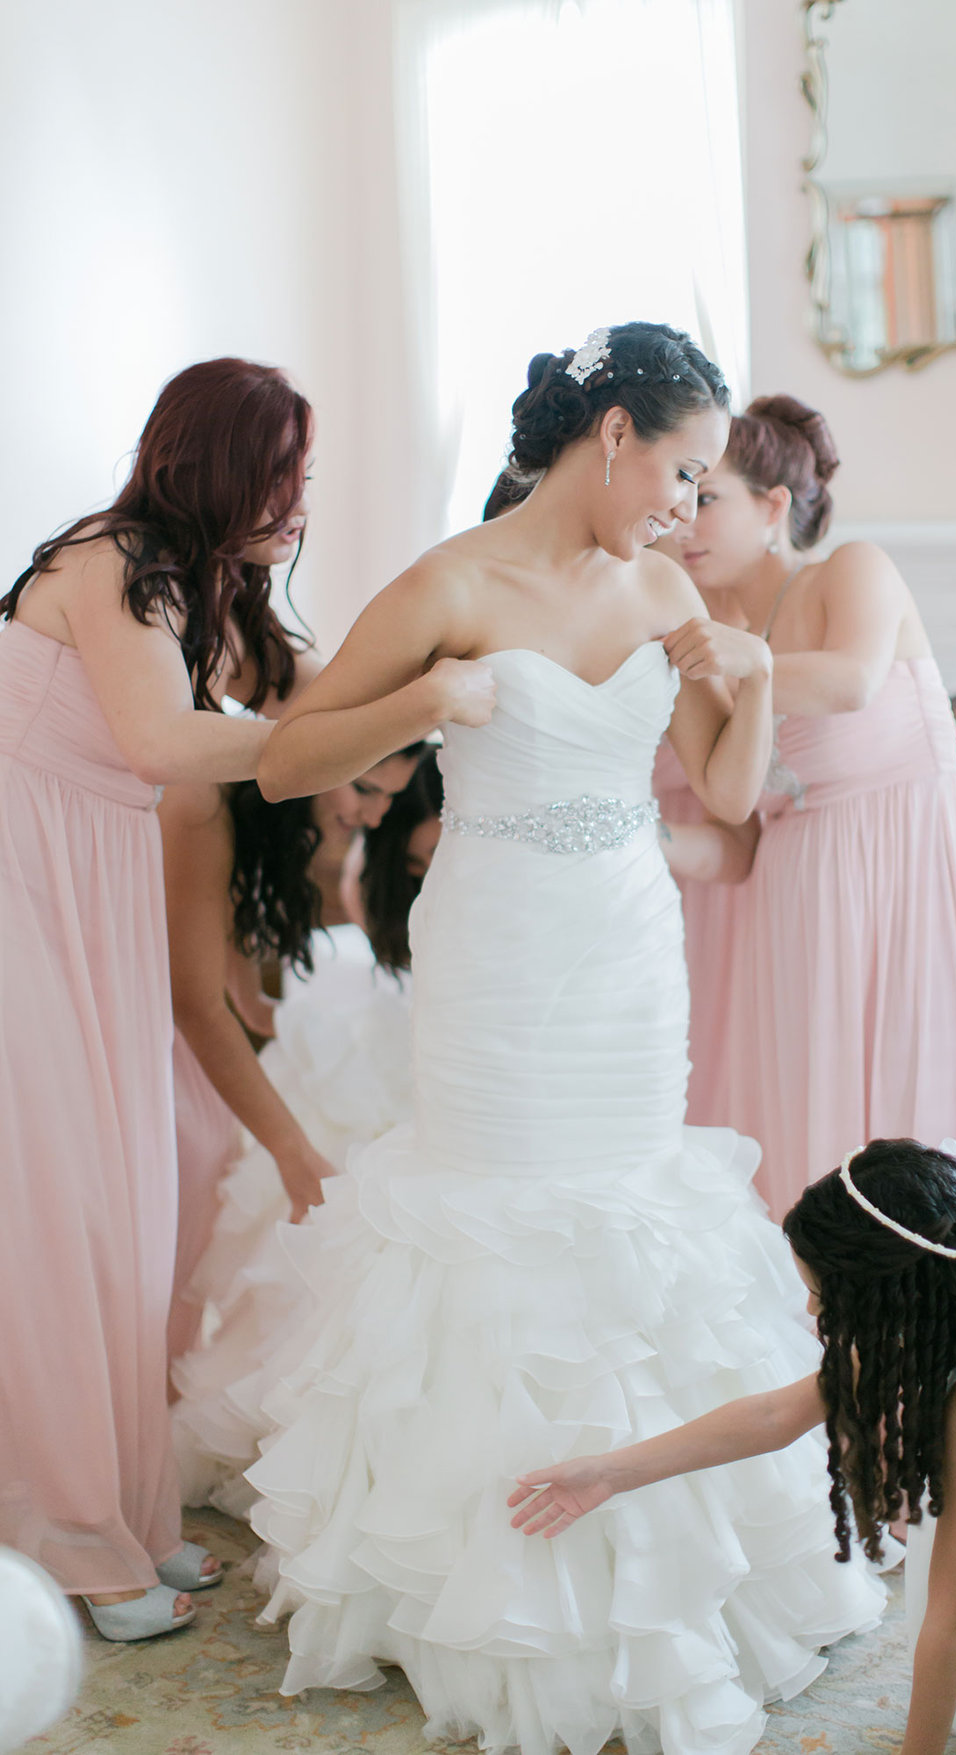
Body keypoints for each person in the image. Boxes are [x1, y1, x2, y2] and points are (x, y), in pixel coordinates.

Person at [242, 322, 887, 1753]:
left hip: (625, 953)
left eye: (707, 483)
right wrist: (420, 703)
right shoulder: (449, 584)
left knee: (627, 1200)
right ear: (610, 439)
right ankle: (485, 1572)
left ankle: (665, 1562)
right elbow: (290, 757)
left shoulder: (664, 584)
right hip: (499, 954)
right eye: (680, 469)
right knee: (500, 1222)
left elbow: (722, 796)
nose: (686, 507)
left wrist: (756, 675)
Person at [511, 1137, 956, 1755]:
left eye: (820, 1293)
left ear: (885, 1296)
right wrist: (609, 1472)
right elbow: (775, 1413)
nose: (809, 1307)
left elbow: (952, 1617)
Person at [0, 357, 311, 1641]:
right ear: (219, 463)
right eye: (282, 473)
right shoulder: (111, 558)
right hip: (25, 890)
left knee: (121, 1206)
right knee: (57, 1214)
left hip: (82, 885)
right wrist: (336, 729)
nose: (298, 502)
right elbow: (162, 746)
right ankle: (70, 1540)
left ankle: (127, 1515)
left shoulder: (183, 583)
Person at [657, 395, 956, 1215]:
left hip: (905, 875)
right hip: (795, 901)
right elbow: (736, 822)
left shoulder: (851, 570)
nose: (684, 522)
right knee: (807, 1127)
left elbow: (855, 679)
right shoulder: (716, 637)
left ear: (774, 507)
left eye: (707, 499)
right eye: (679, 499)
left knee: (910, 1113)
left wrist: (731, 668)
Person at [171, 752, 445, 1512]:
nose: (371, 814)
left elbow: (243, 1003)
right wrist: (290, 1146)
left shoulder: (301, 832)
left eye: (385, 798)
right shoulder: (214, 805)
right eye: (364, 788)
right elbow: (208, 1003)